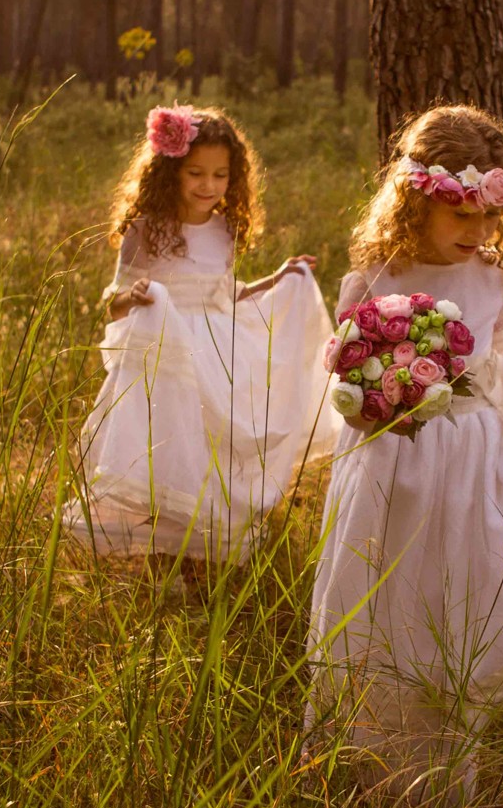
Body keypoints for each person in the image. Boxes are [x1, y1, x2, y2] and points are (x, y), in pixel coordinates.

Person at [308, 105, 503, 808]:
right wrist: (374, 404)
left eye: (490, 217)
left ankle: (442, 769)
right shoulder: (375, 275)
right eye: (462, 216)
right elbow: (349, 373)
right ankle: (362, 761)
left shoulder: (491, 278)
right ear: (416, 199)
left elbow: (500, 361)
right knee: (378, 598)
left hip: (468, 462)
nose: (480, 233)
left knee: (451, 602)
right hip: (390, 461)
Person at [66, 104, 338, 562]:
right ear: (171, 170)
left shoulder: (225, 230)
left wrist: (279, 278)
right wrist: (132, 296)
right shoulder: (146, 229)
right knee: (165, 446)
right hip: (163, 353)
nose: (208, 186)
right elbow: (112, 302)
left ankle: (198, 549)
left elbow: (223, 295)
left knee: (209, 447)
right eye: (196, 173)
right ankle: (156, 550)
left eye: (219, 175)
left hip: (215, 350)